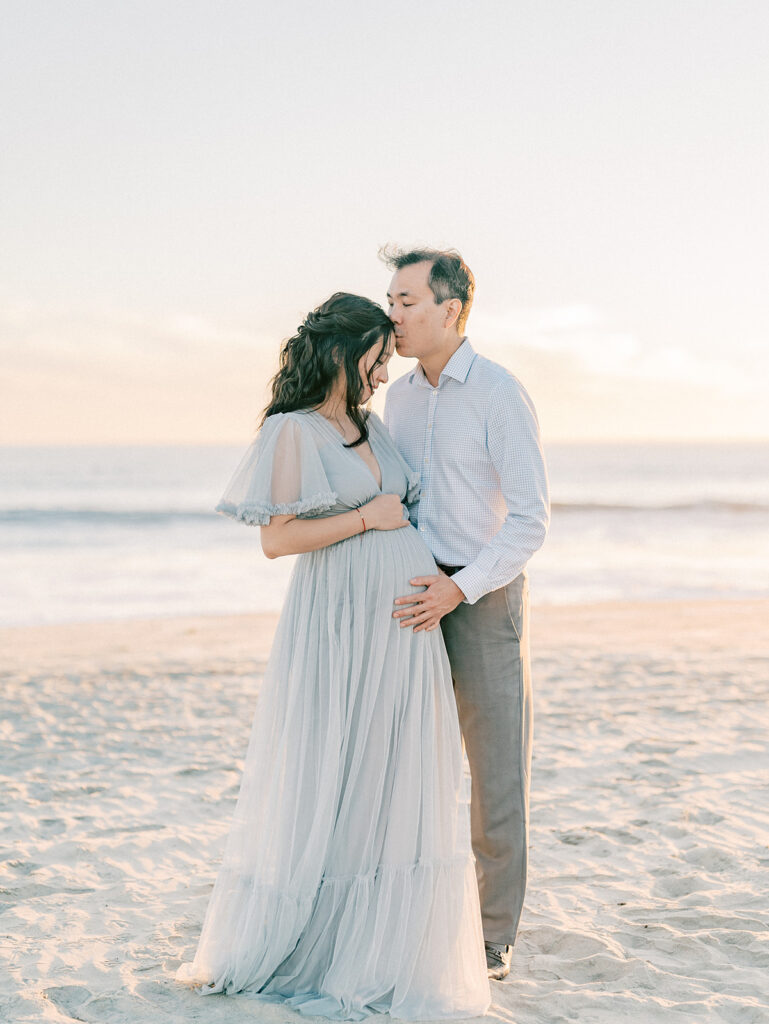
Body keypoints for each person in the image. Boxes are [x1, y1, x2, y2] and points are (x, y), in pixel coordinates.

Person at [176, 292, 490, 1020]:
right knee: (338, 768)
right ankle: (324, 936)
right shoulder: (292, 432)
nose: (382, 372)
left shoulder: (369, 426)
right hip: (340, 623)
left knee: (392, 770)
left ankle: (384, 939)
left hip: (401, 630)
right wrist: (364, 518)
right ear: (340, 353)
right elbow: (276, 540)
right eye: (375, 358)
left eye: (387, 359)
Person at [382, 248, 550, 982]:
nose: (393, 316)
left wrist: (463, 586)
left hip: (480, 598)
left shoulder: (498, 392)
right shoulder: (399, 397)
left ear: (449, 309)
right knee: (409, 764)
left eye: (406, 301)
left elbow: (530, 521)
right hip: (413, 594)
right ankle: (416, 914)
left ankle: (491, 934)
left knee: (495, 773)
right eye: (390, 301)